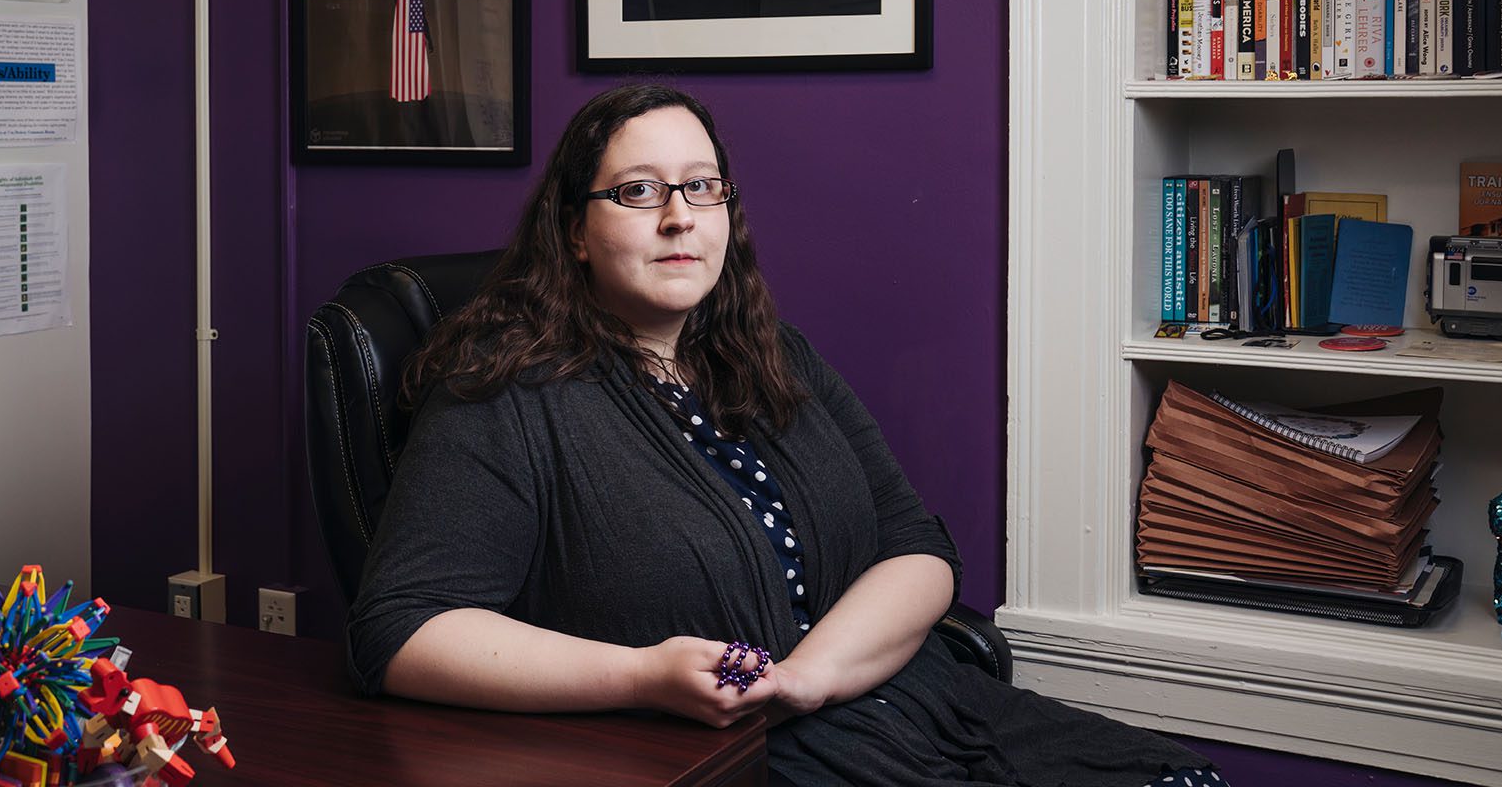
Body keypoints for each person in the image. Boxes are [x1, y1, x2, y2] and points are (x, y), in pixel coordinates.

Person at [348, 84, 1231, 786]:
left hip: (912, 700)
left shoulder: (771, 355)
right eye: (637, 191)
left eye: (701, 186)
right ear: (576, 232)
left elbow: (916, 548)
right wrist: (645, 675)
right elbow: (402, 631)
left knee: (1185, 780)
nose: (678, 217)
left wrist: (812, 674)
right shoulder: (504, 391)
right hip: (728, 759)